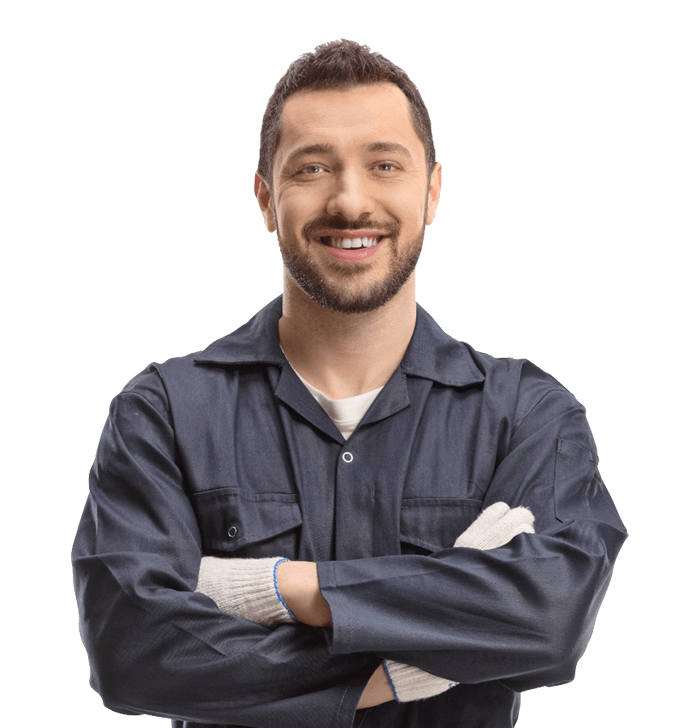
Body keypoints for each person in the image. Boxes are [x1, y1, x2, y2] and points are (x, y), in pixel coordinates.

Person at [72, 39, 627, 728]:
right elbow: (133, 652)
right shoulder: (163, 413)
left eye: (384, 164)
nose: (350, 201)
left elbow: (549, 618)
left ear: (432, 191)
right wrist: (400, 668)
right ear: (266, 199)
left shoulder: (527, 415)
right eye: (312, 168)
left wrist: (276, 587)